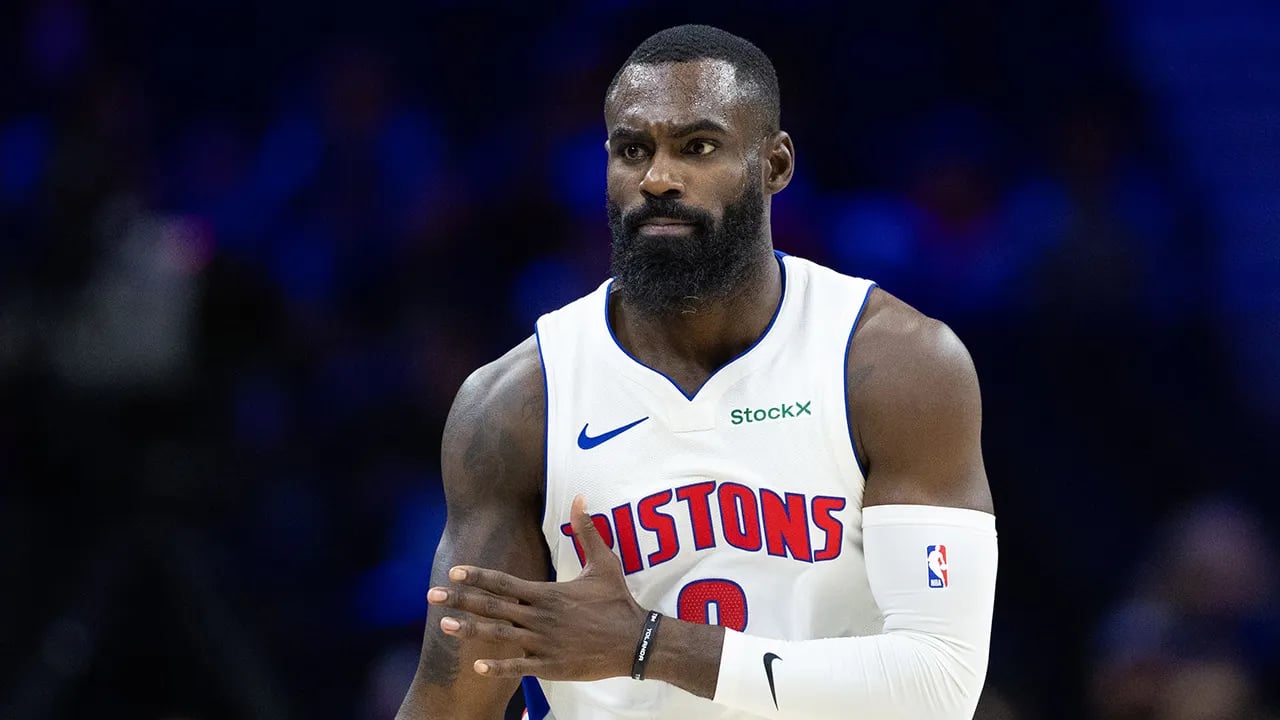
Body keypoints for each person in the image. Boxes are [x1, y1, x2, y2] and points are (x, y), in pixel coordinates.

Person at [396, 24, 998, 720]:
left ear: (774, 165)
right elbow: (451, 703)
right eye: (632, 150)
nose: (657, 177)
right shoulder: (520, 402)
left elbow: (939, 683)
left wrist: (650, 645)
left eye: (698, 147)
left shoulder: (893, 365)